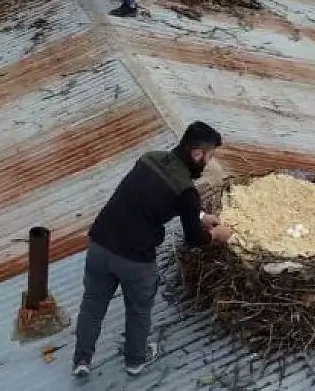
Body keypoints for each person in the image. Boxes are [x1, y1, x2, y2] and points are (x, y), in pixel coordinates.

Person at [72, 122, 233, 378]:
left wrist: (199, 215)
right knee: (138, 310)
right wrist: (216, 234)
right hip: (134, 259)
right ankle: (135, 361)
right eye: (210, 156)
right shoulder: (187, 191)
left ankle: (82, 359)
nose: (209, 163)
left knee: (92, 304)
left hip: (100, 244)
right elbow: (194, 239)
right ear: (197, 154)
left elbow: (147, 198)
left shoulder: (149, 159)